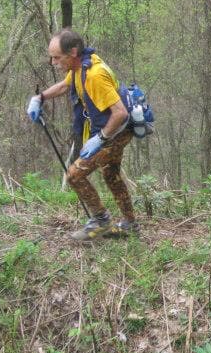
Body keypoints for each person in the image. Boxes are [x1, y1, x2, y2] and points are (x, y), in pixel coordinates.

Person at [27, 28, 138, 241]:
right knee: (110, 174)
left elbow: (120, 113)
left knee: (74, 175)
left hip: (115, 131)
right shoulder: (80, 68)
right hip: (111, 131)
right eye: (52, 57)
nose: (53, 62)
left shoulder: (95, 75)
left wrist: (101, 139)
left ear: (73, 52)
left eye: (57, 57)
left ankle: (100, 221)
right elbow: (64, 86)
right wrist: (40, 98)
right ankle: (130, 224)